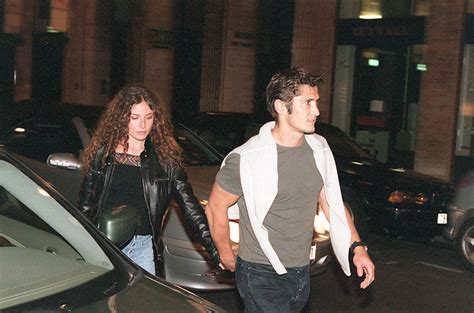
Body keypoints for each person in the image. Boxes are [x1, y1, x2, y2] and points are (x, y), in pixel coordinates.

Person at [205, 68, 375, 312]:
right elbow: (215, 207)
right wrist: (225, 254)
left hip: (300, 271)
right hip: (260, 271)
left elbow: (332, 205)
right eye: (307, 103)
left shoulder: (319, 148)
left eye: (316, 102)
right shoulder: (246, 158)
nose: (316, 111)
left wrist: (357, 249)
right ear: (281, 107)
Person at [79, 84, 219, 275]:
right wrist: (81, 245)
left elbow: (190, 207)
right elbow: (87, 205)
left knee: (144, 303)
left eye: (149, 117)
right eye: (134, 118)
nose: (143, 125)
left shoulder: (166, 160)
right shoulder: (104, 155)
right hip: (105, 246)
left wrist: (216, 249)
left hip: (143, 246)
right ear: (121, 118)